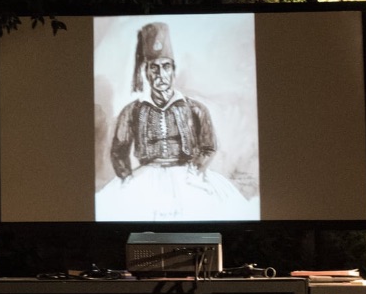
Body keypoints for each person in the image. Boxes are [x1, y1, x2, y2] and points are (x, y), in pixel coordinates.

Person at [96, 21, 255, 221]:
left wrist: (195, 171)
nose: (160, 74)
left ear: (173, 70)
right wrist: (127, 177)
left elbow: (208, 146)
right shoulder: (132, 111)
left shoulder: (195, 108)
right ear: (146, 72)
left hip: (188, 176)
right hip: (145, 178)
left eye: (166, 67)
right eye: (154, 68)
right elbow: (118, 150)